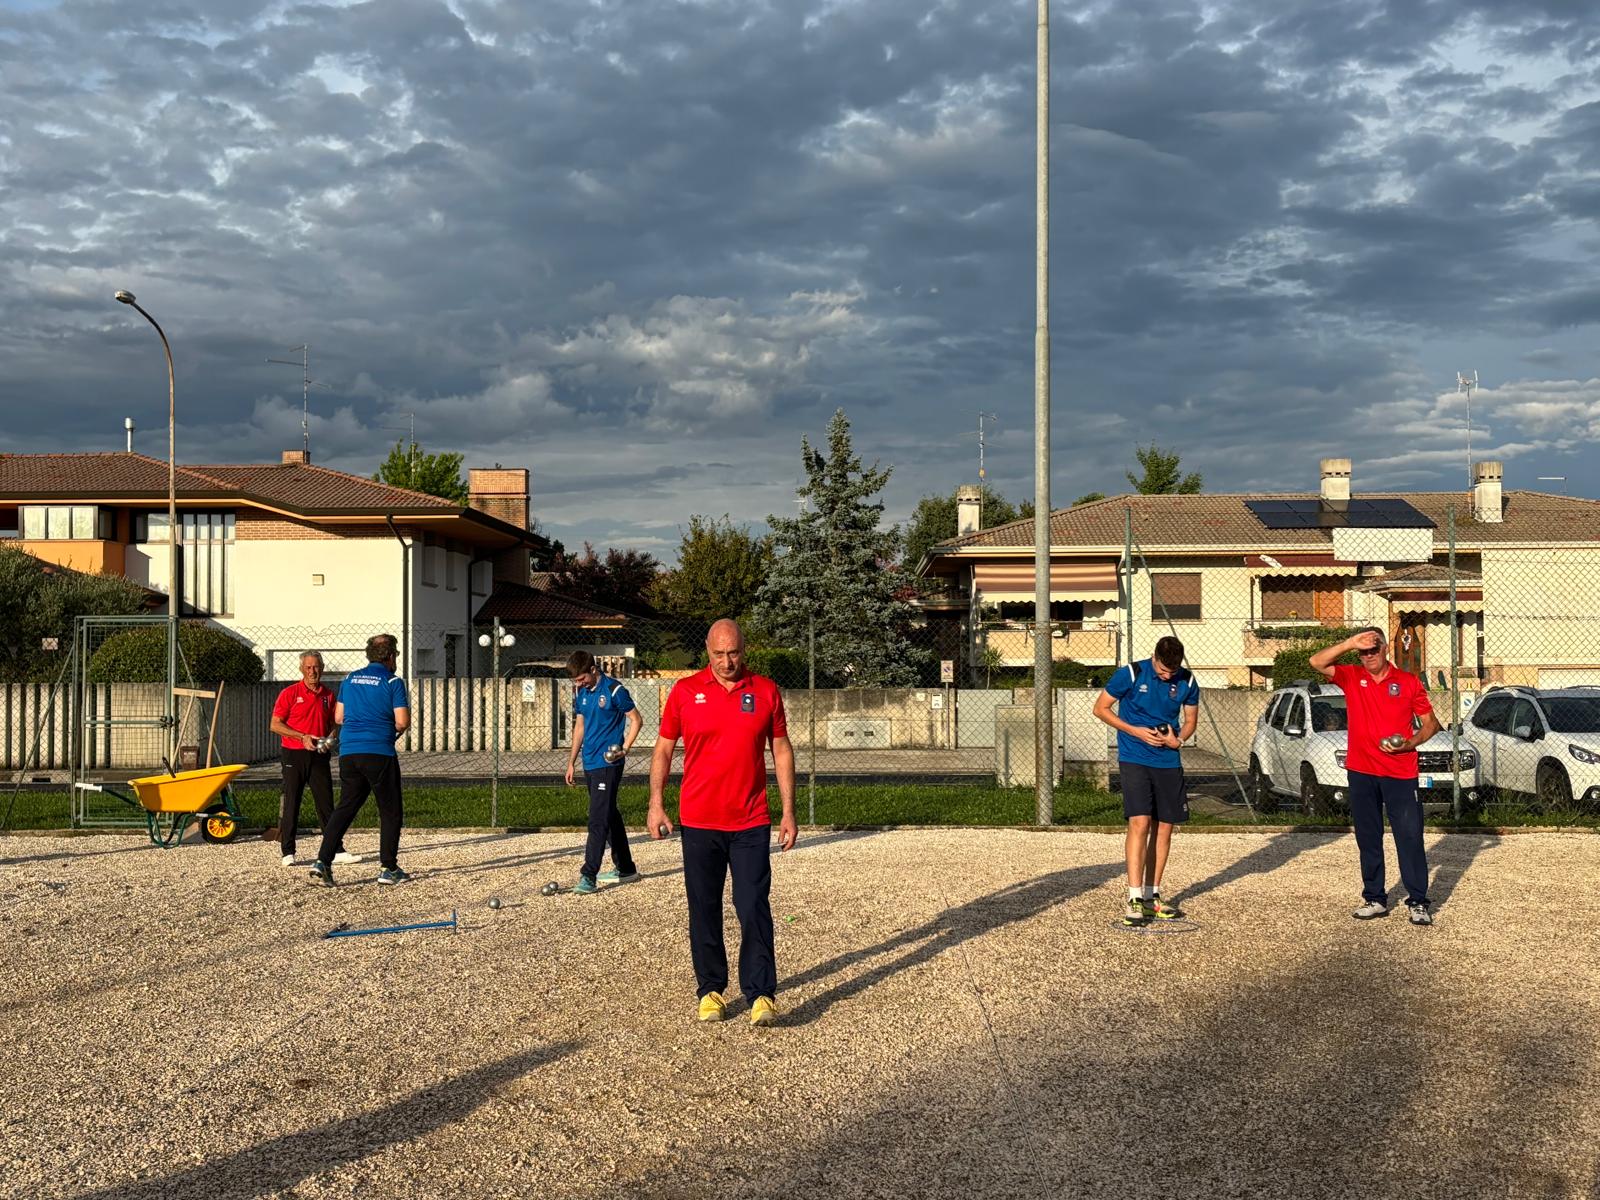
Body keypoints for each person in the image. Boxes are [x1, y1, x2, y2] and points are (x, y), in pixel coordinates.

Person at [647, 618, 797, 1027]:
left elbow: (781, 750)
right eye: (719, 654)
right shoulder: (684, 691)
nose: (727, 662)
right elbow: (662, 750)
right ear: (708, 652)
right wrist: (655, 803)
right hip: (699, 820)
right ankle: (711, 988)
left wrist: (788, 811)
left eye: (734, 653)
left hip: (750, 820)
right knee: (704, 907)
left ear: (743, 650)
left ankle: (761, 993)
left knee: (752, 906)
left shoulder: (765, 691)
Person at [1310, 626, 1439, 925]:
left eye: (1373, 649)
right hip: (1362, 770)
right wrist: (1351, 642)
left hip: (1400, 772)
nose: (1368, 656)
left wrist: (1411, 743)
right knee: (1368, 837)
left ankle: (1418, 901)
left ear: (1385, 650)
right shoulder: (1353, 677)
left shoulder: (1407, 683)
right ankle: (1375, 898)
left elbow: (1431, 723)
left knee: (1409, 837)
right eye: (1363, 651)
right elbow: (1317, 662)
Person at [1093, 636, 1200, 927]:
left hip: (1168, 761)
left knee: (1164, 828)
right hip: (1134, 757)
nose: (1168, 676)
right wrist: (1135, 731)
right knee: (1139, 823)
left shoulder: (1188, 681)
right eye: (1164, 671)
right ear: (1155, 659)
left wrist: (1178, 740)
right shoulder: (1130, 673)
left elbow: (1190, 720)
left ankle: (1153, 895)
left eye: (1172, 672)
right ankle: (1134, 897)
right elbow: (1100, 709)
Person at [309, 634, 411, 887]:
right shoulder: (393, 681)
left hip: (350, 753)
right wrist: (389, 729)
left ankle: (322, 862)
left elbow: (340, 717)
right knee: (390, 811)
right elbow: (402, 721)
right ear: (390, 656)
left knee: (345, 808)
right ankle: (388, 867)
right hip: (379, 752)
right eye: (395, 655)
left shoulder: (350, 679)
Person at [268, 651, 359, 868]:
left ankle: (335, 849)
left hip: (319, 754)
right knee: (292, 801)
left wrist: (330, 738)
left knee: (326, 803)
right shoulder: (290, 693)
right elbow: (275, 724)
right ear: (301, 669)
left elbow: (333, 723)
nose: (312, 671)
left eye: (316, 667)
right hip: (294, 753)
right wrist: (301, 736)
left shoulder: (328, 695)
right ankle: (288, 851)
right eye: (308, 667)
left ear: (323, 668)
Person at [564, 649, 644, 894]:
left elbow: (636, 719)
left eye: (582, 679)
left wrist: (625, 748)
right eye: (575, 681)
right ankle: (626, 868)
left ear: (593, 670)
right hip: (589, 762)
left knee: (597, 819)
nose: (579, 684)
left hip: (608, 764)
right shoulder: (580, 692)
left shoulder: (614, 690)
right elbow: (580, 725)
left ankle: (588, 874)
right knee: (609, 814)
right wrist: (571, 761)